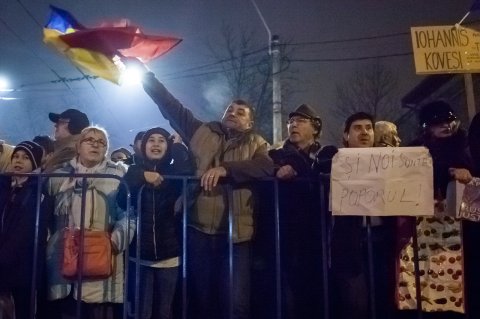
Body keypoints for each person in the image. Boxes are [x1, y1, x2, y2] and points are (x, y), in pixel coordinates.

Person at [137, 66, 274, 319]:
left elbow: (266, 166)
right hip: (198, 231)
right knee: (201, 299)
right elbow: (170, 105)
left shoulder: (257, 143)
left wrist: (225, 169)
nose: (233, 114)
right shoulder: (202, 132)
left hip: (237, 236)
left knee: (236, 302)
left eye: (240, 112)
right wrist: (147, 76)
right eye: (229, 110)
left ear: (250, 122)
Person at [44, 126, 134, 319]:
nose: (95, 144)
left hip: (100, 258)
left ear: (106, 150)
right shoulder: (58, 176)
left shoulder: (118, 176)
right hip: (63, 258)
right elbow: (45, 215)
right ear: (78, 146)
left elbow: (129, 215)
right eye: (89, 140)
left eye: (101, 142)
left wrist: (114, 241)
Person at [397, 100, 472, 318]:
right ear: (426, 127)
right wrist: (448, 173)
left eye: (449, 120)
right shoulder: (415, 151)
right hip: (424, 231)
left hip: (461, 231)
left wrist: (465, 173)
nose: (446, 126)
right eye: (438, 123)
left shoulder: (463, 146)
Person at [265, 104, 336, 318]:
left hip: (317, 235)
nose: (293, 124)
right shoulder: (275, 154)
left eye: (301, 121)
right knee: (285, 297)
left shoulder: (327, 154)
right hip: (283, 234)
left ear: (315, 128)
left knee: (317, 294)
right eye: (291, 121)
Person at [118, 127, 193, 319]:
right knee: (142, 310)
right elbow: (121, 197)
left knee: (164, 311)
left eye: (162, 140)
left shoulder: (172, 171)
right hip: (140, 254)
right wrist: (143, 176)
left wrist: (178, 146)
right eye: (151, 140)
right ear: (143, 147)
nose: (156, 144)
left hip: (169, 254)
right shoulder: (134, 170)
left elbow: (187, 169)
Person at [331, 112, 397, 319]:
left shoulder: (390, 161)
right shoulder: (334, 159)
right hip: (350, 241)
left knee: (384, 300)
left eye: (369, 127)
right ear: (346, 135)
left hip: (382, 238)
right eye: (357, 128)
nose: (364, 132)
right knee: (355, 304)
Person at [0, 141, 47, 319]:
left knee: (23, 310)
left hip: (23, 266)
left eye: (26, 157)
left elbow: (26, 229)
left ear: (35, 163)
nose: (19, 161)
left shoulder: (39, 192)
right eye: (16, 156)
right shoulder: (4, 185)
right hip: (3, 263)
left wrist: (4, 256)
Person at [43, 108, 90, 172]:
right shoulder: (60, 151)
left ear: (73, 126)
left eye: (60, 122)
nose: (56, 125)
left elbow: (53, 179)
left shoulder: (71, 154)